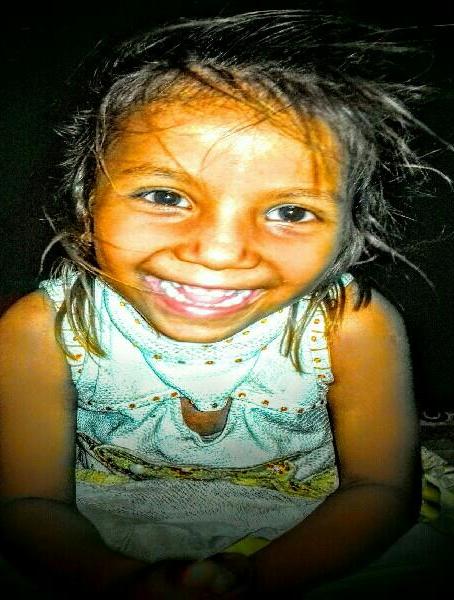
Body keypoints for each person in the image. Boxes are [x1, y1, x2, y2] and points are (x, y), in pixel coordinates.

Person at [0, 9, 432, 598]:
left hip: (313, 526)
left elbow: (381, 493)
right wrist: (121, 580)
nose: (220, 252)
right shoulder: (41, 328)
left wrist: (254, 579)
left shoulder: (350, 325)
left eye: (290, 212)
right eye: (164, 196)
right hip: (93, 525)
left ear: (350, 235)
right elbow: (28, 502)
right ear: (86, 204)